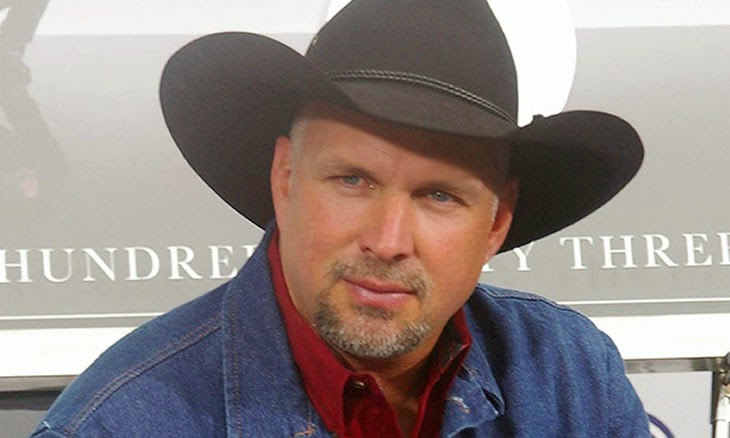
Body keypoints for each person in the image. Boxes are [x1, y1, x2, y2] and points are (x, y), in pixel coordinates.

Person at [33, 0, 649, 436]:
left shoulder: (572, 374)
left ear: (496, 223)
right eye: (353, 180)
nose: (387, 241)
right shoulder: (115, 425)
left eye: (439, 196)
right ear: (285, 178)